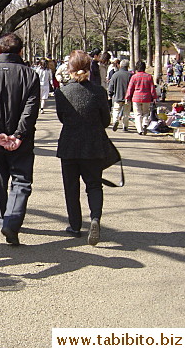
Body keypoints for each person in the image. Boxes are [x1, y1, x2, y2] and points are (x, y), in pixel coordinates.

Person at [0, 32, 40, 246]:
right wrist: (19, 134)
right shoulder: (30, 75)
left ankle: (4, 220)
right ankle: (11, 222)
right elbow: (31, 109)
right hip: (22, 140)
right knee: (21, 182)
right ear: (21, 51)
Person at [54, 50, 110, 246]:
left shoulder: (61, 93)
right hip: (93, 145)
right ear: (90, 68)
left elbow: (62, 118)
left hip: (69, 145)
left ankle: (75, 225)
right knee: (94, 185)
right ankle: (95, 218)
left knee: (71, 188)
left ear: (69, 69)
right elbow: (106, 120)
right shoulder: (99, 92)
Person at [124, 60, 158, 135]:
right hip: (146, 98)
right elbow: (152, 88)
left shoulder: (134, 77)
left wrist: (127, 97)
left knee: (138, 114)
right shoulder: (149, 77)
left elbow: (130, 88)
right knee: (146, 113)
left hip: (136, 97)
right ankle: (145, 123)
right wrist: (154, 97)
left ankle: (140, 130)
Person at [108, 59, 132, 132]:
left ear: (120, 65)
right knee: (126, 113)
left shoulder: (115, 75)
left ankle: (115, 120)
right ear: (127, 66)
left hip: (117, 96)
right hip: (127, 97)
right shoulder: (130, 75)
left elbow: (111, 85)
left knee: (116, 110)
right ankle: (125, 126)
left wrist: (110, 93)